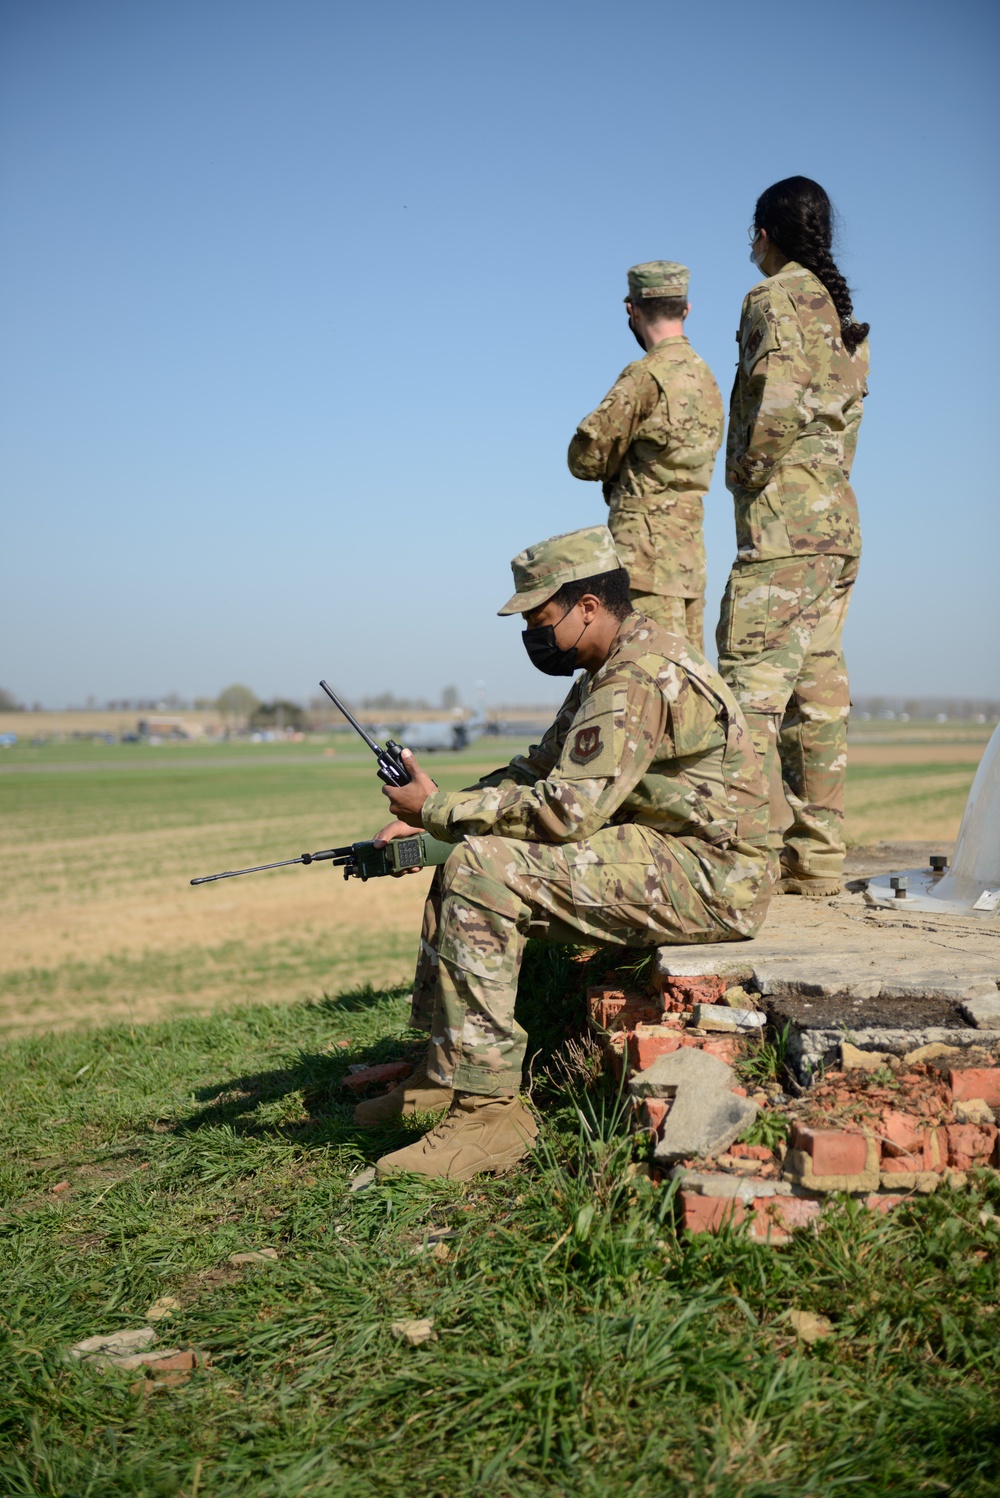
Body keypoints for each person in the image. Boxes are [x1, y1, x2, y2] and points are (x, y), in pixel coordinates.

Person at [359, 525, 772, 1180]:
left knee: (478, 869)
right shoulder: (604, 670)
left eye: (541, 619)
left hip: (712, 874)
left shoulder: (635, 677)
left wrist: (441, 814)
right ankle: (445, 1070)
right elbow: (535, 771)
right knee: (462, 853)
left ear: (587, 606)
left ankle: (491, 1118)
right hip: (667, 853)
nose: (533, 637)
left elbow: (566, 811)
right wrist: (438, 817)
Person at [717, 177, 870, 898]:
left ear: (765, 233)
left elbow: (774, 397)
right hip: (836, 520)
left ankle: (744, 862)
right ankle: (816, 863)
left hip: (783, 528)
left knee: (746, 694)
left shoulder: (774, 298)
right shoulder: (839, 314)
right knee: (818, 697)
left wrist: (747, 472)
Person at [566, 262, 724, 652]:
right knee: (687, 682)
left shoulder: (645, 376)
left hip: (644, 559)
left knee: (644, 673)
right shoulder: (707, 379)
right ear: (686, 309)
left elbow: (584, 458)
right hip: (689, 559)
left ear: (632, 311)